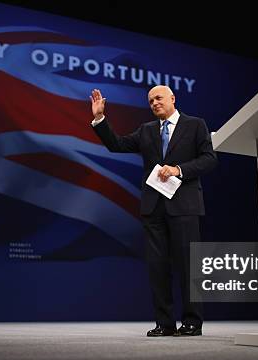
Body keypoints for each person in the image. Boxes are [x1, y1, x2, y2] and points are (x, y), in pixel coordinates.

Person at [90, 86, 218, 336]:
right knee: (158, 267)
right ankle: (165, 323)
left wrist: (178, 169)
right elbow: (117, 144)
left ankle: (192, 322)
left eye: (158, 98)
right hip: (153, 207)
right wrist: (99, 119)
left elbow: (209, 159)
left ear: (172, 98)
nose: (154, 103)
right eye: (150, 101)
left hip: (184, 206)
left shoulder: (195, 125)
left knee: (188, 265)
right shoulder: (147, 130)